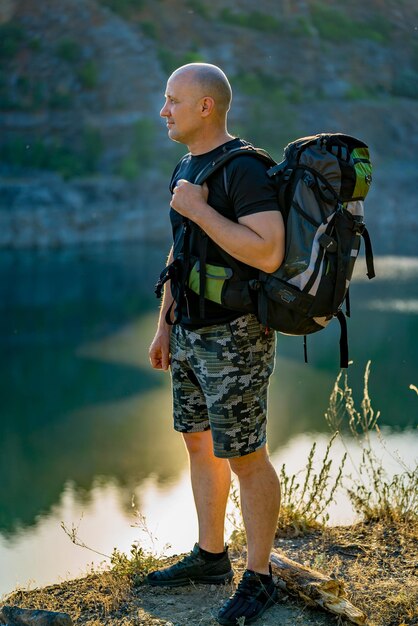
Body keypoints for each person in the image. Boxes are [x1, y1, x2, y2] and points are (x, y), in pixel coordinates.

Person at [147, 62, 285, 626]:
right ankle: (211, 556)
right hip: (188, 332)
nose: (164, 110)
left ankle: (261, 578)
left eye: (172, 100)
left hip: (235, 335)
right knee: (198, 443)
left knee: (246, 455)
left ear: (206, 106)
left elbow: (269, 252)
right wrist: (164, 326)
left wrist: (200, 207)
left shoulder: (246, 169)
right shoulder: (186, 164)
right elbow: (180, 255)